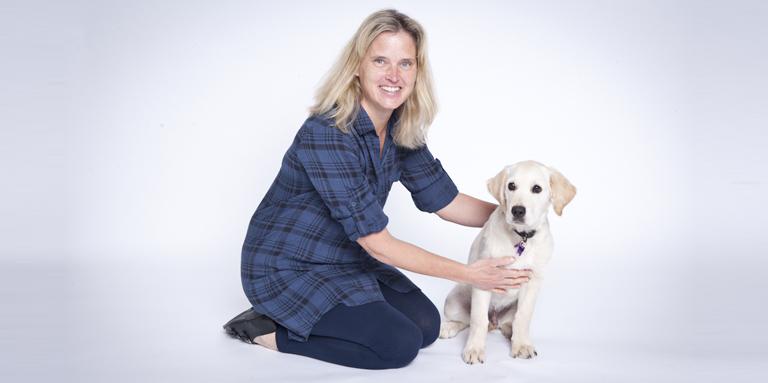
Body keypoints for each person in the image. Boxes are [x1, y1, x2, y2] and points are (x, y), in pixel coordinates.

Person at [223, 9, 531, 369]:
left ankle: (314, 318)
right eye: (380, 61)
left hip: (344, 257)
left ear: (417, 72)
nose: (393, 76)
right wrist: (470, 274)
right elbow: (378, 244)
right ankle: (266, 329)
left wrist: (519, 216)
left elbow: (446, 202)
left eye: (405, 64)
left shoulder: (402, 126)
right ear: (357, 66)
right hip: (286, 267)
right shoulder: (327, 133)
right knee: (397, 346)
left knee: (426, 327)